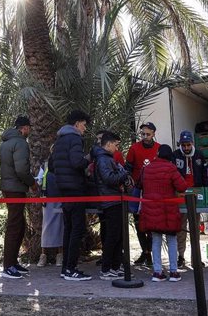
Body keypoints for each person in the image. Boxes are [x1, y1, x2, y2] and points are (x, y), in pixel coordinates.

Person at [53, 109, 92, 281]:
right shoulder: (75, 138)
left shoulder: (60, 140)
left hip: (63, 189)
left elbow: (53, 166)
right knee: (77, 229)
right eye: (84, 125)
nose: (85, 129)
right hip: (76, 189)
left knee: (68, 229)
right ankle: (71, 268)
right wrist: (88, 160)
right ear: (76, 124)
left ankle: (65, 268)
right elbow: (77, 162)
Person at [139, 144, 188, 282]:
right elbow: (182, 186)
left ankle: (157, 272)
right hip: (168, 210)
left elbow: (139, 184)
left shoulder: (147, 168)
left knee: (156, 240)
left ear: (158, 154)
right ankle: (173, 272)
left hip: (151, 209)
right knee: (171, 239)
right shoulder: (171, 168)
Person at [0, 116, 36, 279]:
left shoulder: (6, 142)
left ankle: (13, 262)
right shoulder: (20, 142)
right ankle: (8, 266)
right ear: (24, 128)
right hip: (15, 188)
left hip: (9, 187)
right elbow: (21, 169)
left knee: (19, 224)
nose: (29, 131)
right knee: (15, 225)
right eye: (29, 128)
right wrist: (32, 183)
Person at [172, 130, 208, 269]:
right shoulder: (175, 155)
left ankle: (196, 258)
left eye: (188, 145)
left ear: (192, 143)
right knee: (181, 228)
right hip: (181, 195)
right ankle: (181, 257)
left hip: (196, 195)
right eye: (183, 145)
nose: (186, 148)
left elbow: (204, 176)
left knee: (195, 228)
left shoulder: (199, 155)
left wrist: (207, 193)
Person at [94, 131, 130, 280]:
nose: (117, 148)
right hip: (110, 201)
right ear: (108, 144)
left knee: (118, 236)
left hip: (116, 200)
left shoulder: (107, 159)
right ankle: (106, 268)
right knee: (112, 236)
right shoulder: (103, 159)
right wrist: (123, 174)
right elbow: (108, 178)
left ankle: (115, 266)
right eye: (115, 145)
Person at [125, 121, 160, 266]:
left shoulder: (159, 148)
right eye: (143, 134)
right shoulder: (134, 148)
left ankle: (150, 253)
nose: (145, 137)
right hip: (137, 190)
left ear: (153, 134)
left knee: (151, 223)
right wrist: (129, 182)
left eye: (148, 134)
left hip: (153, 190)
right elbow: (127, 168)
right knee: (138, 223)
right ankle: (145, 252)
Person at [36, 146, 63, 268]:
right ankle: (43, 256)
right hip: (48, 200)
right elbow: (39, 181)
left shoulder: (63, 165)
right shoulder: (45, 165)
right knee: (46, 227)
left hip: (61, 199)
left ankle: (60, 255)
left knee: (60, 227)